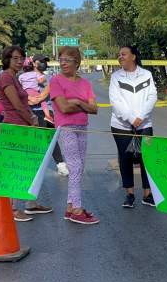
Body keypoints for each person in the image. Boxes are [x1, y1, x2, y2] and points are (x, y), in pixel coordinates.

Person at [0, 46, 53, 221]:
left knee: (29, 166)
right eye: (15, 58)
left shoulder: (15, 77)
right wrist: (32, 120)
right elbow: (17, 105)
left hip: (23, 126)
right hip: (15, 128)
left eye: (21, 58)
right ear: (7, 60)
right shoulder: (6, 77)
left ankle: (30, 203)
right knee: (16, 168)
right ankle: (12, 209)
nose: (19, 61)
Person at [50, 46, 99, 224]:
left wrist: (77, 102)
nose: (63, 63)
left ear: (77, 63)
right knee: (75, 167)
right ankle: (77, 209)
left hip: (82, 127)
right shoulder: (56, 81)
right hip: (66, 128)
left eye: (67, 60)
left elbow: (94, 109)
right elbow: (63, 107)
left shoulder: (85, 83)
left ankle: (70, 208)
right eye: (61, 59)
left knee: (79, 167)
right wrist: (82, 104)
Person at [109, 45, 157, 209]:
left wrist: (141, 117)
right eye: (119, 54)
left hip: (144, 125)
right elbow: (115, 101)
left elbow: (152, 96)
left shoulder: (146, 74)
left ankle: (147, 194)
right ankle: (129, 193)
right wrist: (130, 118)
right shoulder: (116, 77)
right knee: (125, 158)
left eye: (124, 54)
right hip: (121, 126)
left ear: (133, 56)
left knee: (146, 158)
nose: (120, 56)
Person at [27, 55, 68, 176]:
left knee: (51, 138)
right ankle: (31, 166)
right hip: (30, 112)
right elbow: (21, 91)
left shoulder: (49, 77)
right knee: (33, 139)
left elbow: (46, 94)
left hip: (47, 112)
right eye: (42, 61)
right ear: (34, 63)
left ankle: (61, 164)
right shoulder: (25, 77)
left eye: (46, 61)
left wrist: (34, 99)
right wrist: (28, 99)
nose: (44, 63)